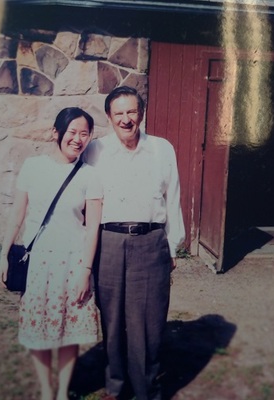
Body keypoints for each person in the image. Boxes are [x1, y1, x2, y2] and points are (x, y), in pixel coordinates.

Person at [83, 86, 185, 400]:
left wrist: (171, 245)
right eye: (119, 114)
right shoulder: (94, 150)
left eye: (132, 112)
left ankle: (146, 390)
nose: (126, 119)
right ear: (109, 117)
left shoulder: (161, 149)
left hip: (150, 242)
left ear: (141, 113)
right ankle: (115, 385)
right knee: (112, 320)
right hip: (109, 243)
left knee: (149, 323)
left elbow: (173, 199)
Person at [0, 107, 102, 400]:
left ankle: (62, 392)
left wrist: (85, 270)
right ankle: (46, 390)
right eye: (72, 131)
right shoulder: (33, 166)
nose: (78, 139)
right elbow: (17, 214)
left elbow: (92, 228)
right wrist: (3, 254)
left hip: (72, 262)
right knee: (36, 327)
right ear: (56, 132)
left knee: (70, 330)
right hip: (38, 261)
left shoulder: (90, 176)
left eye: (84, 133)